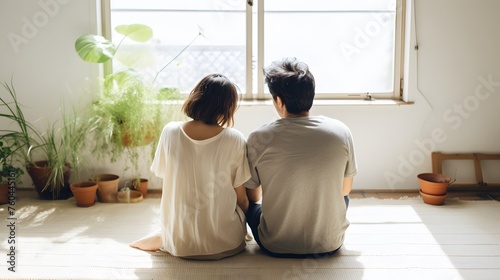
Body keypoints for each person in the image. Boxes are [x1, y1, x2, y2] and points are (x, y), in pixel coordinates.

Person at [244, 57, 357, 258]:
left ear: (279, 101)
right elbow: (345, 189)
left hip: (275, 245)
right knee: (342, 198)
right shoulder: (341, 131)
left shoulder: (259, 138)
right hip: (329, 245)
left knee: (249, 204)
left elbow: (254, 196)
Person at [130, 74, 251, 260]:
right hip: (227, 245)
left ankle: (163, 234)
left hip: (179, 245)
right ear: (228, 107)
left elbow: (166, 177)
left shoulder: (170, 132)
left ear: (196, 97)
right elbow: (242, 200)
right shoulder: (235, 139)